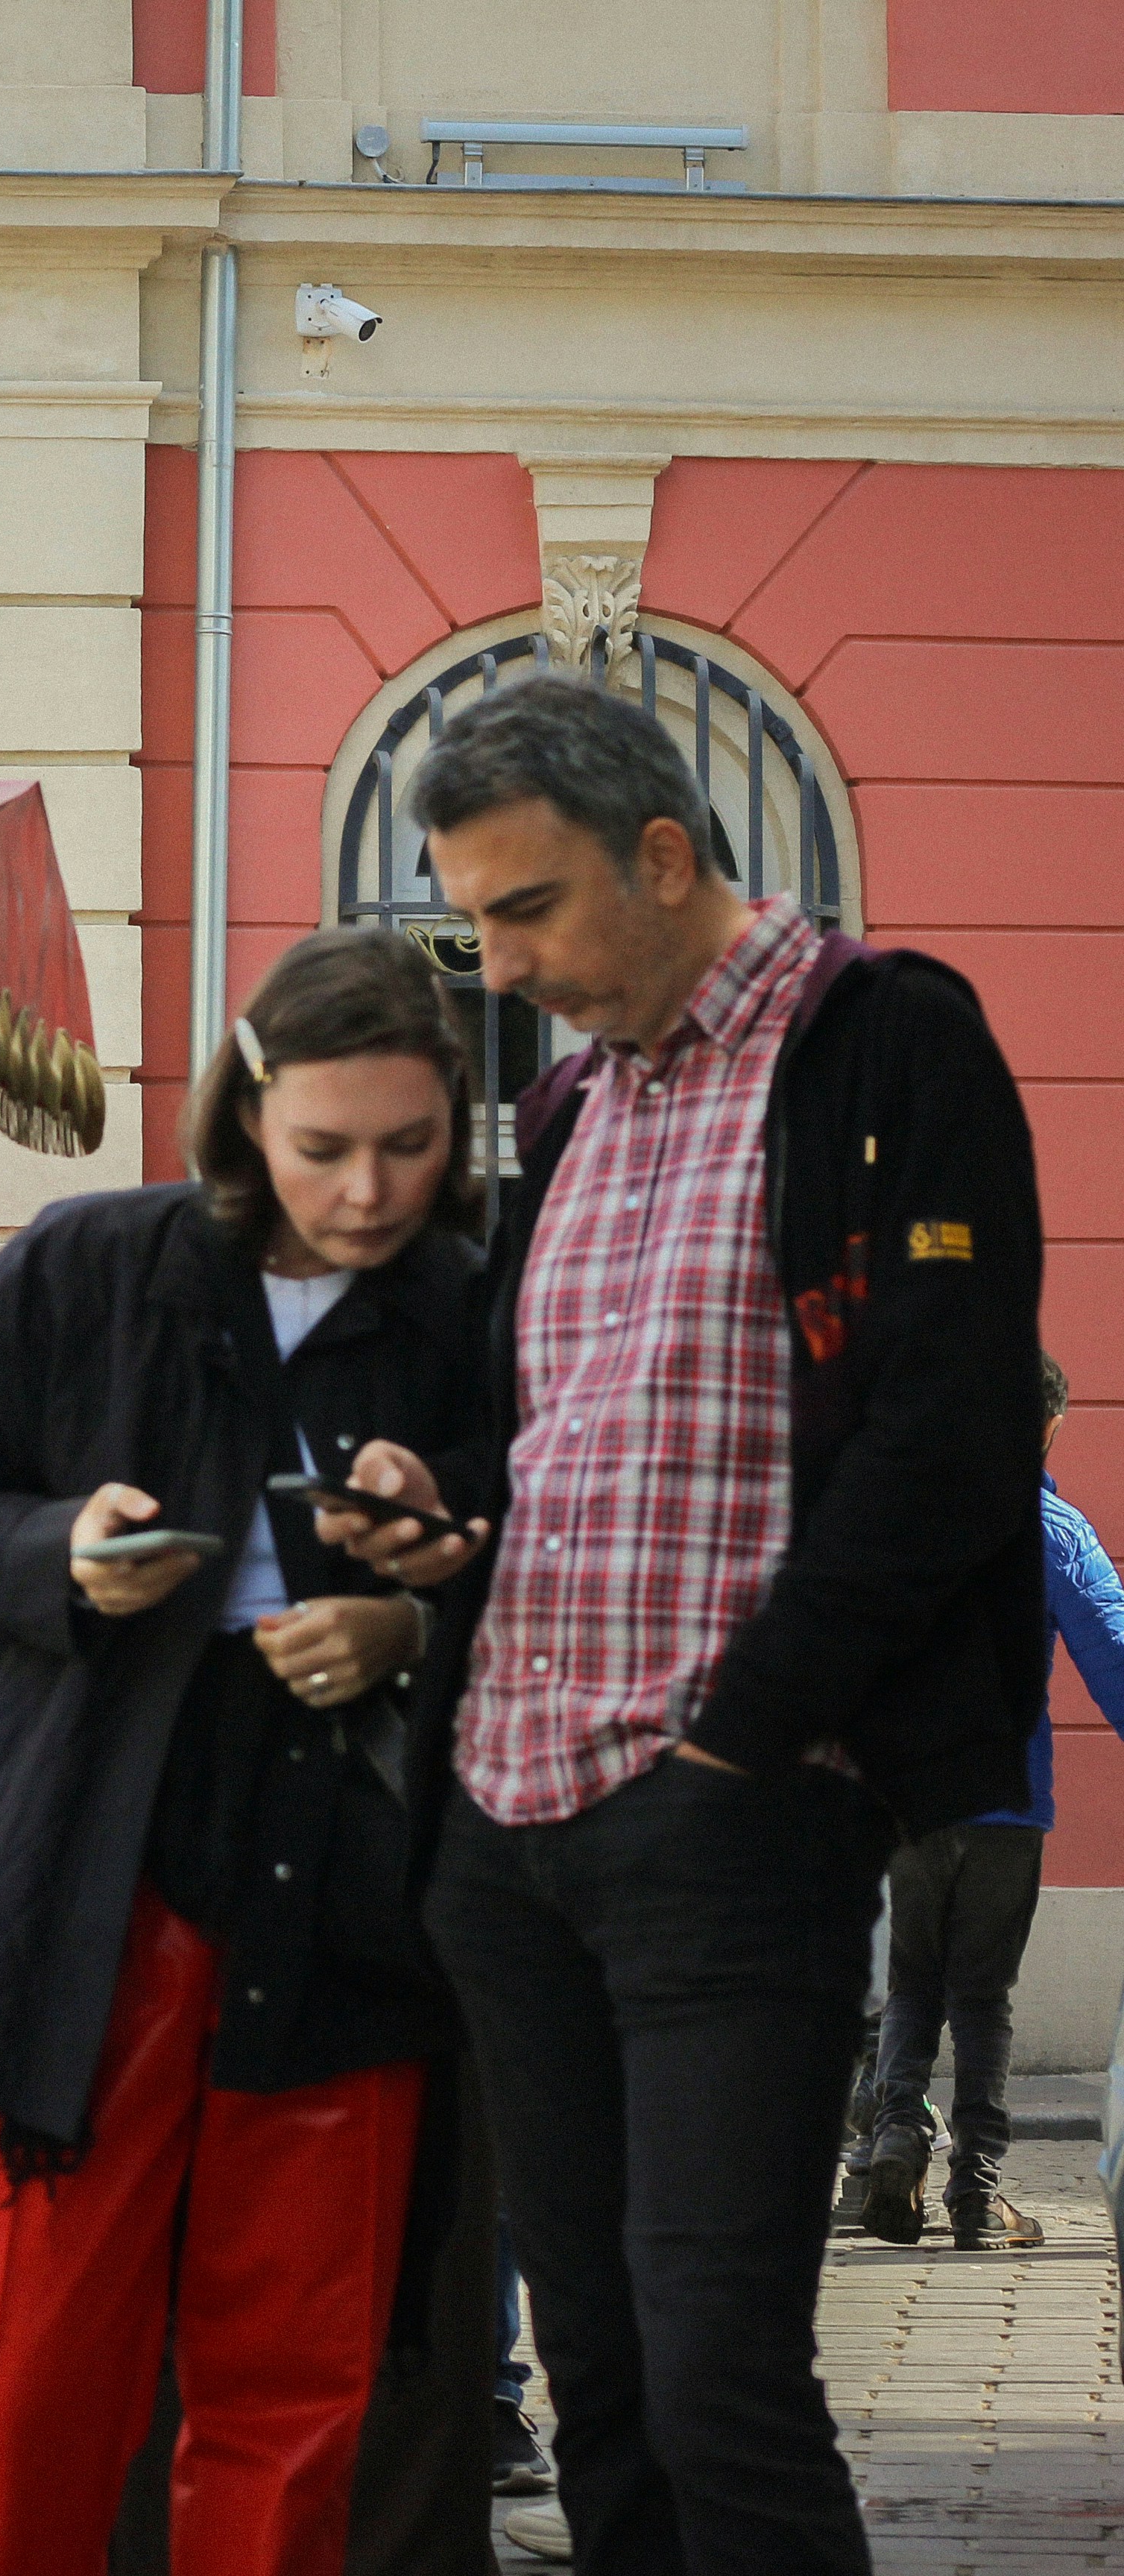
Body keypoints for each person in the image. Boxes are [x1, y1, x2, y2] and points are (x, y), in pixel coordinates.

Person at [323, 673, 1044, 2576]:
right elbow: (534, 1435)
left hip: (726, 1809)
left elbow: (950, 1433)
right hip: (508, 1819)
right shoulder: (564, 1108)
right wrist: (431, 1497)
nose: (495, 960)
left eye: (525, 908)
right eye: (469, 916)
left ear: (661, 854)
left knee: (718, 2359)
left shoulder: (880, 1043)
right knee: (600, 2365)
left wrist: (741, 1737)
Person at [0, 926, 490, 2576]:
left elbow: (548, 1561)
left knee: (297, 2400)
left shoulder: (470, 1312)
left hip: (337, 1893)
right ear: (249, 1110)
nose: (366, 1191)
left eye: (410, 1147)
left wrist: (418, 1612)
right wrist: (62, 1553)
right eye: (326, 1147)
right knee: (32, 2380)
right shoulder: (91, 1266)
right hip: (75, 1874)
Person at [858, 1351, 1124, 2252]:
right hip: (1009, 1806)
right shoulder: (1056, 1531)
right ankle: (975, 2195)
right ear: (1048, 1429)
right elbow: (1115, 1658)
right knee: (983, 1999)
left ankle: (896, 2136)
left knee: (911, 1985)